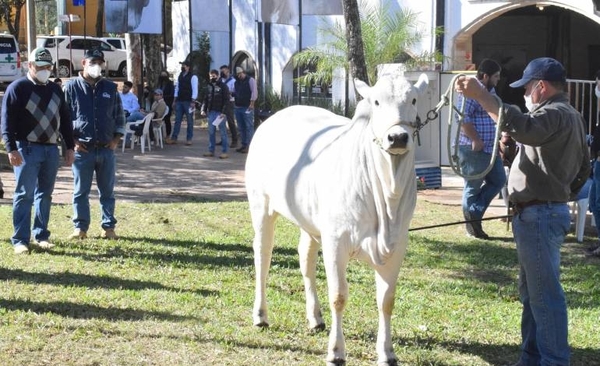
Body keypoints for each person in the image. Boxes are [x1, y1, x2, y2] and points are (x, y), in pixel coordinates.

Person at [455, 57, 590, 366]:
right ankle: (531, 358)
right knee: (534, 295)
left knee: (544, 297)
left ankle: (553, 361)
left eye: (527, 87)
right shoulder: (570, 115)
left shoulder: (553, 113)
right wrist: (557, 192)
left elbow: (522, 126)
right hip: (541, 212)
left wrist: (482, 96)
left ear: (540, 86)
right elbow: (582, 167)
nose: (525, 93)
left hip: (539, 214)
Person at [0, 47, 75, 254]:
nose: (45, 70)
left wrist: (70, 146)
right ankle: (20, 240)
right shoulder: (18, 88)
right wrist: (11, 149)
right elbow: (6, 122)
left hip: (51, 149)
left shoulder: (55, 89)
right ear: (30, 65)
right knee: (24, 194)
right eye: (41, 66)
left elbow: (65, 119)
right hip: (26, 148)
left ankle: (41, 235)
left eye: (48, 67)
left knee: (45, 194)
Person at [64, 48, 126, 240]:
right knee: (80, 191)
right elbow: (63, 118)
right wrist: (72, 142)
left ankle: (108, 228)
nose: (96, 66)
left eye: (100, 63)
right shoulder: (71, 87)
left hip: (106, 149)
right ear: (83, 63)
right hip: (83, 150)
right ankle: (80, 228)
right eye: (93, 62)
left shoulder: (109, 87)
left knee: (107, 191)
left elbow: (119, 116)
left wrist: (116, 139)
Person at [455, 58, 506, 239]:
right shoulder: (470, 93)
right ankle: (473, 228)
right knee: (473, 187)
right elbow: (461, 118)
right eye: (496, 76)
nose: (498, 79)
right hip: (473, 149)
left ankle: (473, 214)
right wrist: (475, 139)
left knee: (499, 180)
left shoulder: (490, 93)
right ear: (485, 76)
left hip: (490, 149)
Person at [167, 60, 198, 146]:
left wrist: (193, 101)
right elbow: (177, 88)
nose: (182, 67)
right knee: (177, 120)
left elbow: (195, 89)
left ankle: (189, 138)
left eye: (184, 65)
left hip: (188, 101)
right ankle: (174, 138)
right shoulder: (180, 76)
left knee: (190, 121)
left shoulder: (193, 77)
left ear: (188, 67)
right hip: (180, 101)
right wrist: (174, 100)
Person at [201, 69, 230, 159]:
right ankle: (211, 150)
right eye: (210, 76)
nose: (212, 78)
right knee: (211, 132)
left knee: (223, 132)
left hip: (220, 113)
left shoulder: (223, 86)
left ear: (217, 76)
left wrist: (223, 112)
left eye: (213, 76)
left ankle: (225, 152)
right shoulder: (209, 86)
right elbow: (206, 99)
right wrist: (203, 109)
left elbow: (226, 100)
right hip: (211, 112)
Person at [232, 66, 257, 153]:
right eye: (238, 74)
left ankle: (250, 146)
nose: (239, 76)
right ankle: (244, 144)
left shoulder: (250, 80)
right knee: (241, 127)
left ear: (244, 72)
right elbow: (235, 92)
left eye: (240, 73)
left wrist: (252, 103)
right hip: (238, 106)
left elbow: (254, 92)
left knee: (249, 127)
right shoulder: (236, 82)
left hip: (247, 107)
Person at [219, 64, 238, 148]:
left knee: (230, 122)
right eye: (221, 71)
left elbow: (235, 92)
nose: (222, 73)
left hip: (229, 102)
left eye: (223, 71)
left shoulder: (233, 81)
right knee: (220, 121)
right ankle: (223, 139)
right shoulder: (220, 80)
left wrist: (228, 92)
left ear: (227, 71)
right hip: (221, 102)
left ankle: (235, 140)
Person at [157, 70, 174, 137]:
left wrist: (163, 97)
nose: (163, 77)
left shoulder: (170, 83)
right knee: (158, 119)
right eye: (162, 75)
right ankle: (159, 135)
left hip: (167, 103)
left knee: (167, 120)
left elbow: (171, 94)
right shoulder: (159, 84)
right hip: (158, 104)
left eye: (164, 75)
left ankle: (168, 135)